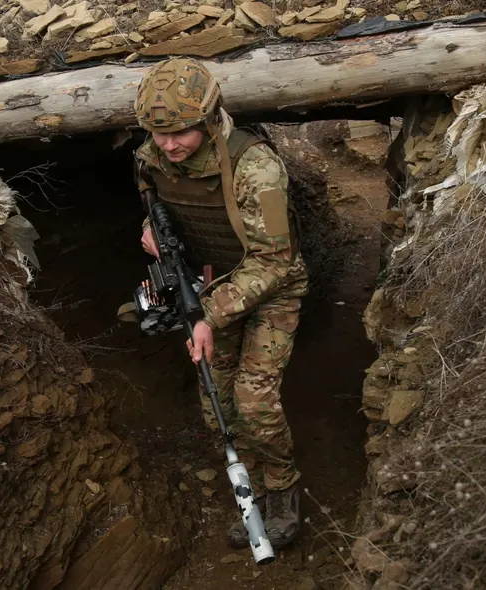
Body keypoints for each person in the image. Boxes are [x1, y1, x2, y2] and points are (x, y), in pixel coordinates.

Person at [131, 57, 308, 549]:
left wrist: (207, 316)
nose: (169, 145)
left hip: (272, 289)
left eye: (180, 133)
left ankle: (282, 490)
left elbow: (274, 262)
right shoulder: (151, 157)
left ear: (209, 120)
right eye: (158, 133)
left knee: (254, 402)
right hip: (209, 286)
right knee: (218, 405)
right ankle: (250, 487)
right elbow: (157, 207)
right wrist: (150, 231)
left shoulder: (256, 167)